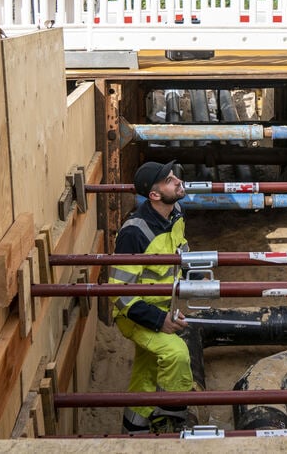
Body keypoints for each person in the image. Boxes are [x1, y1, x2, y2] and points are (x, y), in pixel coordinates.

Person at [108, 160, 194, 434]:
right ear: (155, 195)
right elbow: (120, 295)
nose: (178, 181)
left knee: (145, 373)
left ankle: (133, 429)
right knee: (177, 354)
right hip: (135, 315)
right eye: (170, 180)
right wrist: (160, 321)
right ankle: (170, 416)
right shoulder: (134, 233)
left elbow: (181, 248)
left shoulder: (176, 212)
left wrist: (193, 274)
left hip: (163, 306)